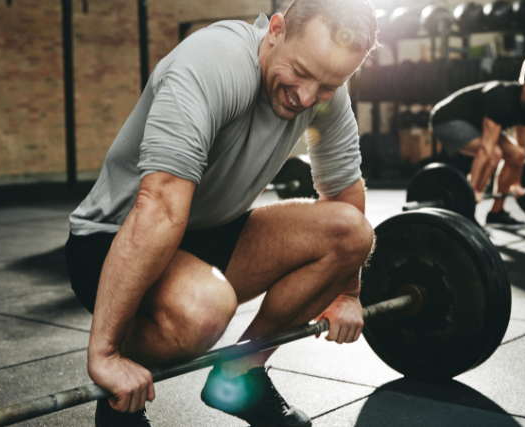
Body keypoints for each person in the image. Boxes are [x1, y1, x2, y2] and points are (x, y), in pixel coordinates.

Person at [64, 1, 379, 426]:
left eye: (327, 85)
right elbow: (159, 205)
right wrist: (104, 354)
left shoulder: (326, 97)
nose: (307, 97)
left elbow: (344, 193)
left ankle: (240, 375)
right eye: (301, 72)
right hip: (112, 241)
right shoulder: (214, 62)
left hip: (210, 234)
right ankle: (120, 389)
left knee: (353, 234)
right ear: (276, 30)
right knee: (204, 311)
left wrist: (348, 293)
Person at [429, 52, 525, 228]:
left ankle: (496, 213)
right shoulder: (502, 99)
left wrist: (517, 182)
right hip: (447, 119)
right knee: (494, 154)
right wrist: (472, 192)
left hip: (475, 124)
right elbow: (486, 149)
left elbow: (521, 147)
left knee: (516, 153)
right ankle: (466, 213)